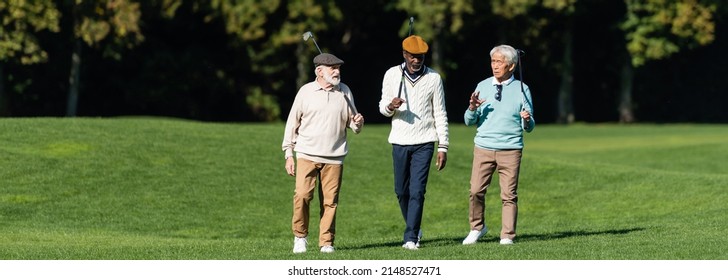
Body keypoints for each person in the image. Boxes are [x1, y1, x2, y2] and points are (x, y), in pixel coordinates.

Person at [281, 53, 365, 254]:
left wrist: (358, 123)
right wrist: (288, 153)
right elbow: (292, 123)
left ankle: (326, 242)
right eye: (332, 68)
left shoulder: (344, 91)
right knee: (302, 195)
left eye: (338, 68)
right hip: (306, 154)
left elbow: (353, 125)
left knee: (330, 202)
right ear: (319, 71)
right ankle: (300, 237)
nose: (337, 72)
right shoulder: (305, 91)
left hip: (334, 157)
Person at [378, 35, 449, 250]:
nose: (416, 61)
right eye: (412, 56)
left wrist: (443, 146)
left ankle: (411, 237)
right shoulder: (392, 74)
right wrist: (391, 106)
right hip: (399, 141)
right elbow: (382, 108)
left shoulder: (434, 78)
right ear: (404, 55)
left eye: (420, 57)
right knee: (401, 191)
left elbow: (440, 112)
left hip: (425, 141)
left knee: (418, 191)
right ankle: (414, 226)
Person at [461, 44, 535, 246]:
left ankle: (507, 235)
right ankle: (477, 228)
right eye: (493, 61)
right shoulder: (482, 85)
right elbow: (469, 121)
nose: (494, 66)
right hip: (483, 147)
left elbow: (529, 127)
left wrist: (526, 119)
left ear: (511, 66)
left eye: (499, 62)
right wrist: (472, 108)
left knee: (508, 195)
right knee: (476, 190)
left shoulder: (522, 89)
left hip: (511, 149)